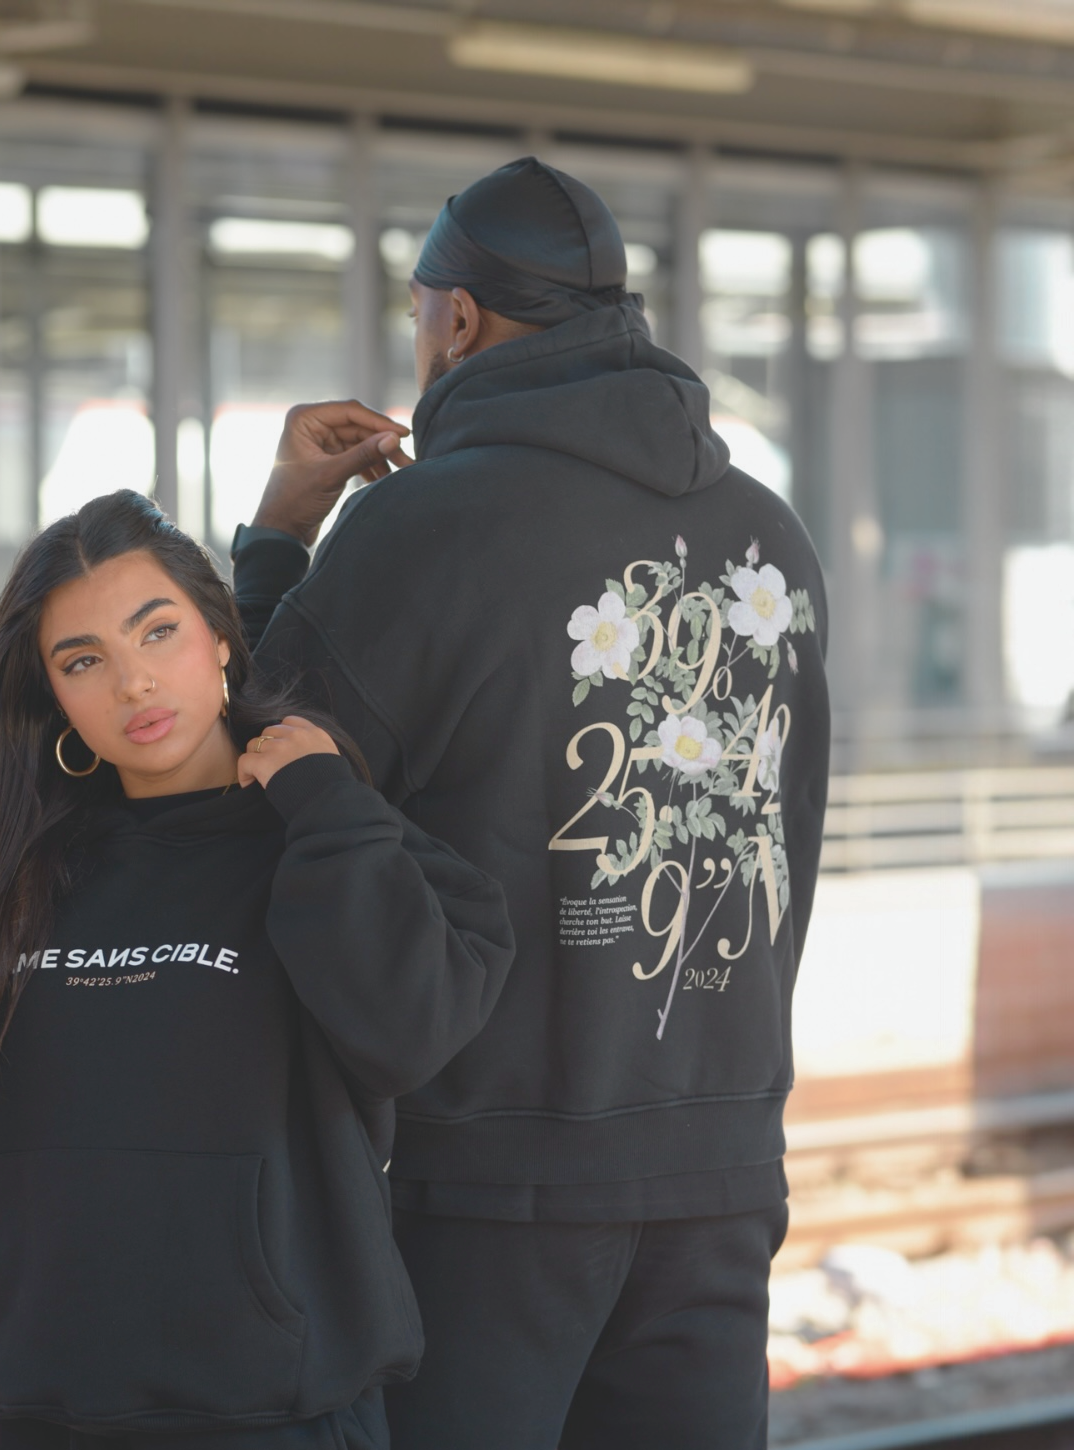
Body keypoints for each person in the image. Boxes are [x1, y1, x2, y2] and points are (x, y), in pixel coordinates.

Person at [231, 158, 832, 1449]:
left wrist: (279, 533)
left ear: (455, 316)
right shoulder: (771, 535)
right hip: (723, 1164)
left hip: (489, 1173)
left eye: (417, 311)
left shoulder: (421, 525)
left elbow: (256, 764)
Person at [0, 490, 514, 1450]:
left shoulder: (324, 839)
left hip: (267, 1418)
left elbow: (411, 1028)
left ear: (220, 636)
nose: (134, 683)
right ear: (49, 694)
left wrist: (326, 803)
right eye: (83, 661)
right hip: (23, 1415)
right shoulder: (8, 872)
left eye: (158, 632)